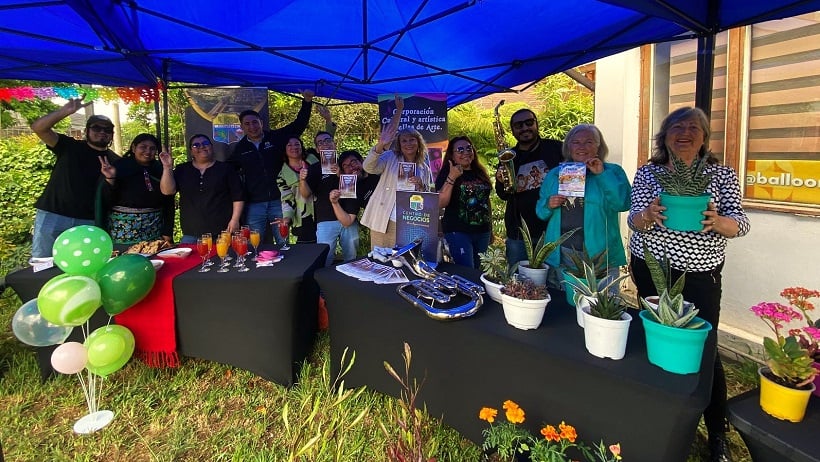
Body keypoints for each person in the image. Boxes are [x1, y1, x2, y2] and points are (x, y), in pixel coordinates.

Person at [627, 107, 750, 462]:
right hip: (652, 269)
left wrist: (718, 222)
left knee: (704, 347)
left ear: (704, 137)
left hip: (699, 275)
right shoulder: (648, 172)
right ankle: (661, 411)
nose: (684, 133)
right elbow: (634, 220)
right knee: (656, 338)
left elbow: (741, 223)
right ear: (664, 136)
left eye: (693, 127)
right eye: (677, 127)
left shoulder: (721, 174)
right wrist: (647, 215)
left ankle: (716, 431)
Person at [535, 124, 631, 287]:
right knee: (563, 300)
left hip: (600, 256)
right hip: (562, 253)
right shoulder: (555, 174)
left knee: (601, 302)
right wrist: (548, 204)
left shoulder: (612, 171)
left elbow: (623, 203)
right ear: (568, 147)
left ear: (598, 146)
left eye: (589, 142)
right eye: (576, 142)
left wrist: (601, 174)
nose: (582, 147)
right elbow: (541, 213)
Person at [29, 96, 120, 257]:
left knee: (84, 263)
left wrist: (111, 179)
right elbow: (39, 128)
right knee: (43, 263)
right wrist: (65, 111)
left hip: (88, 221)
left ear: (112, 135)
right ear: (87, 131)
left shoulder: (115, 161)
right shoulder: (69, 146)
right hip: (54, 214)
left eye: (107, 130)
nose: (102, 132)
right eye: (97, 128)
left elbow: (112, 196)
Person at [229, 89, 315, 244]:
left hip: (279, 201)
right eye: (247, 124)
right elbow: (227, 171)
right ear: (241, 127)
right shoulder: (240, 149)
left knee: (284, 243)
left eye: (255, 122)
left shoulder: (275, 138)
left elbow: (298, 126)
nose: (252, 126)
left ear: (261, 123)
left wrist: (307, 102)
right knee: (254, 245)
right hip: (254, 205)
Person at [361, 96, 434, 249]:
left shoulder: (424, 168)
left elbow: (428, 199)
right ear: (399, 144)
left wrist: (421, 186)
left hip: (410, 221)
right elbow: (368, 167)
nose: (408, 144)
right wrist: (380, 145)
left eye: (412, 140)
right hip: (385, 220)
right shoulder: (390, 157)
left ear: (418, 142)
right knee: (381, 258)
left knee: (403, 259)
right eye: (404, 141)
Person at [495, 109, 563, 266]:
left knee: (552, 278)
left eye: (529, 122)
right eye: (519, 125)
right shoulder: (508, 156)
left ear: (536, 124)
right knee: (518, 278)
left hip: (552, 229)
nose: (525, 128)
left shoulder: (557, 148)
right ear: (513, 131)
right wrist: (500, 181)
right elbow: (503, 195)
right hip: (519, 233)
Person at [159, 134, 244, 242]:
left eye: (205, 143)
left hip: (222, 232)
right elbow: (167, 191)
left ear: (211, 147)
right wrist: (167, 167)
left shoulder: (226, 169)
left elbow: (238, 197)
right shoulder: (182, 169)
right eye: (196, 145)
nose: (202, 146)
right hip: (191, 233)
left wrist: (235, 220)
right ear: (191, 151)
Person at [96, 133, 175, 244]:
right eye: (143, 147)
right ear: (133, 148)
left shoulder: (160, 169)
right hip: (122, 229)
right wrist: (110, 178)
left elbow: (169, 201)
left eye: (152, 148)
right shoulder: (118, 167)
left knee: (154, 254)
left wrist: (167, 231)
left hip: (154, 228)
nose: (148, 151)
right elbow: (105, 199)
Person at [307, 148, 379, 266]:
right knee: (325, 257)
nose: (351, 167)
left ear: (362, 161)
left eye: (353, 162)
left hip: (389, 217)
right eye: (346, 166)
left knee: (351, 256)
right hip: (328, 219)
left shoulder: (377, 173)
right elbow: (348, 221)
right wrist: (334, 202)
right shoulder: (351, 186)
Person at [434, 136, 492, 268]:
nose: (466, 152)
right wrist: (452, 177)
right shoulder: (446, 173)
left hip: (483, 231)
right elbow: (441, 203)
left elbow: (486, 200)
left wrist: (491, 229)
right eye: (460, 150)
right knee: (466, 270)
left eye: (469, 148)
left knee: (478, 270)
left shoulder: (480, 172)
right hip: (458, 231)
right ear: (452, 155)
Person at [278, 136, 319, 243]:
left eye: (297, 144)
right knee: (307, 249)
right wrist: (287, 218)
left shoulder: (313, 160)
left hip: (323, 210)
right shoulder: (282, 176)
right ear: (284, 149)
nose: (294, 147)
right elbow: (287, 199)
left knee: (327, 246)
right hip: (304, 216)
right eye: (289, 145)